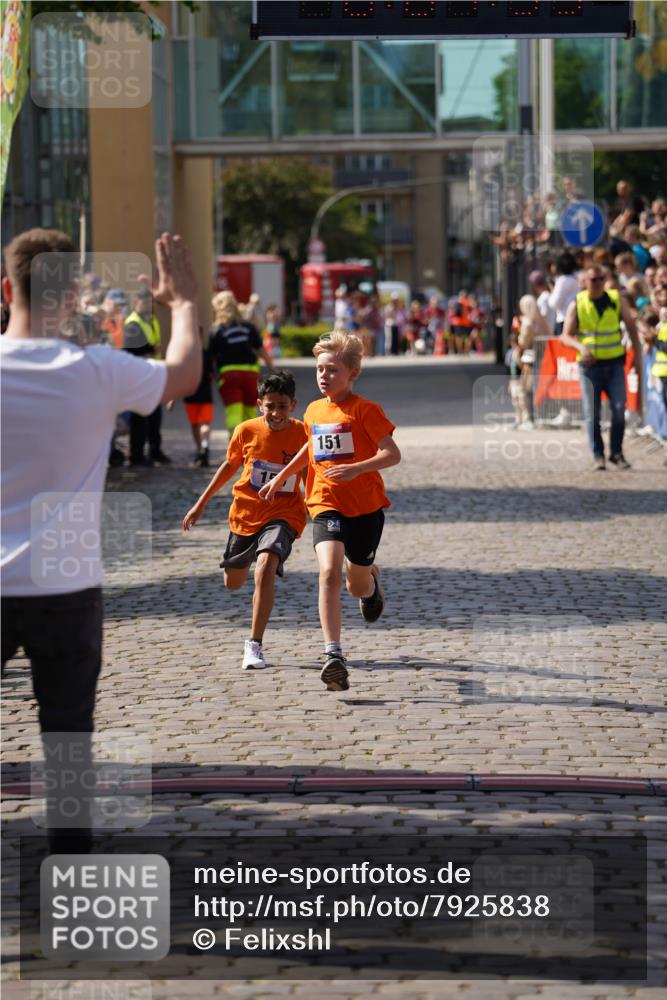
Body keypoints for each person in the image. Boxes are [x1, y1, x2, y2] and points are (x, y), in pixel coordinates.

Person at [1, 229, 201, 851]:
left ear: (8, 289)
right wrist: (184, 303)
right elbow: (184, 375)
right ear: (72, 298)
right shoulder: (97, 370)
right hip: (66, 585)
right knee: (67, 737)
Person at [259, 331, 401, 693]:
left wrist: (357, 468)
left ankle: (371, 587)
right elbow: (310, 449)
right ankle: (333, 654)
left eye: (332, 370)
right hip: (324, 502)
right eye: (319, 369)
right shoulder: (313, 409)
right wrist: (280, 479)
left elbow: (392, 454)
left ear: (353, 374)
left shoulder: (365, 410)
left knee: (356, 583)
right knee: (328, 572)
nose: (323, 376)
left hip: (366, 508)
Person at [182, 370, 307, 670]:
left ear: (294, 404)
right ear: (259, 404)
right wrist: (200, 504)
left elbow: (309, 476)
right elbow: (228, 467)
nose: (276, 413)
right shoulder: (246, 431)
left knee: (265, 566)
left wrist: (323, 509)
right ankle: (250, 556)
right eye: (270, 406)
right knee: (233, 582)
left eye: (283, 406)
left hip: (284, 514)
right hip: (246, 514)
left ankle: (254, 645)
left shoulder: (303, 433)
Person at [560, 264, 642, 470]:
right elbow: (565, 335)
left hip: (614, 364)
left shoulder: (616, 299)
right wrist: (580, 346)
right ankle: (598, 455)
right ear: (585, 282)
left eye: (600, 279)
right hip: (589, 368)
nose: (597, 283)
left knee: (618, 410)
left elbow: (631, 327)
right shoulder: (578, 303)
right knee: (592, 414)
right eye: (593, 280)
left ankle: (616, 452)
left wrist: (637, 357)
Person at [209, 290, 274, 434]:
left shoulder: (217, 329)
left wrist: (212, 375)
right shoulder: (248, 327)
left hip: (229, 375)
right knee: (250, 413)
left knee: (233, 414)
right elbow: (261, 350)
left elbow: (211, 357)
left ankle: (235, 445)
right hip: (251, 374)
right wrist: (273, 370)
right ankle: (250, 446)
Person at [123, 288, 172, 466]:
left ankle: (155, 450)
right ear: (137, 303)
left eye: (151, 302)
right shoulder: (133, 324)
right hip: (139, 377)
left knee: (154, 416)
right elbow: (129, 350)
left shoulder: (150, 320)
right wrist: (151, 350)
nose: (150, 305)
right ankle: (137, 455)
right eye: (146, 302)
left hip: (152, 374)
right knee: (139, 417)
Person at [548, 252, 579, 336]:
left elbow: (554, 303)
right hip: (577, 319)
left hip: (564, 320)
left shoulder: (562, 281)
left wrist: (552, 291)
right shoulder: (578, 277)